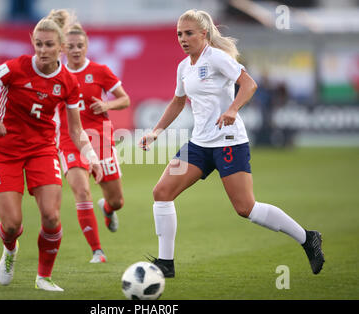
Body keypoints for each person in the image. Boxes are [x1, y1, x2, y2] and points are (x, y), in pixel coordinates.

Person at [139, 9, 324, 278]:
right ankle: (166, 263)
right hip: (199, 144)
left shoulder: (216, 58)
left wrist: (233, 109)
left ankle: (308, 238)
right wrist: (156, 131)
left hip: (228, 142)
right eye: (179, 33)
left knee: (245, 208)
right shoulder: (184, 67)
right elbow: (178, 101)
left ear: (204, 33)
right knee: (162, 193)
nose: (183, 38)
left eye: (189, 33)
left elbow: (249, 85)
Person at [0, 9, 102, 291]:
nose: (42, 50)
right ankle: (10, 250)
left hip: (42, 149)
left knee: (51, 216)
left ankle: (43, 278)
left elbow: (75, 130)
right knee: (12, 224)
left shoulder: (68, 82)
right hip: (5, 151)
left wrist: (92, 157)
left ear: (61, 47)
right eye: (38, 43)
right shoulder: (15, 67)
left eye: (49, 44)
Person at [58, 22, 130, 263]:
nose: (76, 50)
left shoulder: (100, 71)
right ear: (62, 48)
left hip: (101, 141)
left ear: (86, 46)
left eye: (80, 45)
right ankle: (97, 251)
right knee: (82, 191)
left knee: (117, 201)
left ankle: (108, 209)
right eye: (71, 46)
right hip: (70, 141)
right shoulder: (56, 74)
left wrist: (107, 105)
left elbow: (125, 99)